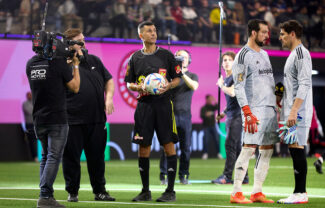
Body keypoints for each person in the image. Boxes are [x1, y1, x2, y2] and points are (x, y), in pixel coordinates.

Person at [124, 21, 182, 202]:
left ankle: (170, 191)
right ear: (141, 35)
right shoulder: (134, 58)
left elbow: (178, 79)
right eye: (149, 31)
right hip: (144, 107)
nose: (153, 33)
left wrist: (168, 85)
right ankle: (145, 191)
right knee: (144, 148)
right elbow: (128, 83)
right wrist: (138, 86)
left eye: (155, 30)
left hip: (164, 105)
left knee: (168, 145)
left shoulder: (166, 55)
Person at [62, 28, 115, 203]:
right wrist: (72, 61)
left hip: (97, 119)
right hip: (73, 119)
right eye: (79, 41)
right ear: (69, 44)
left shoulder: (95, 60)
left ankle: (100, 192)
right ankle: (72, 192)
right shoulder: (63, 63)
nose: (84, 44)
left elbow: (109, 79)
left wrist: (109, 99)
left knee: (97, 159)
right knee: (71, 159)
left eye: (84, 40)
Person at [230, 19, 278, 204]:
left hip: (269, 109)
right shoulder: (242, 56)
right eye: (264, 32)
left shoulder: (265, 54)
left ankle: (257, 192)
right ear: (253, 33)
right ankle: (236, 192)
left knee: (267, 151)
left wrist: (278, 98)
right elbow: (239, 87)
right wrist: (247, 112)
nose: (267, 35)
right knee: (249, 149)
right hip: (253, 111)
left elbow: (270, 82)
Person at [26, 45, 80, 208]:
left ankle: (44, 194)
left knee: (45, 156)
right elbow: (75, 87)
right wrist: (75, 65)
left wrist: (65, 64)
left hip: (38, 119)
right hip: (56, 118)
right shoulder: (58, 63)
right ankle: (45, 196)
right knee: (53, 156)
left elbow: (51, 78)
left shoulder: (30, 63)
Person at [277, 20, 313, 204]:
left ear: (292, 34)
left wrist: (293, 112)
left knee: (297, 147)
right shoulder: (292, 55)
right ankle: (298, 192)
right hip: (292, 111)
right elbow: (291, 85)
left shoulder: (301, 53)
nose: (280, 37)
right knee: (293, 148)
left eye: (282, 34)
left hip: (298, 112)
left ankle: (301, 193)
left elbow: (305, 84)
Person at [159, 49, 199, 185]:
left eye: (185, 57)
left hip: (185, 116)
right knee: (167, 146)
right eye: (179, 57)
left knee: (185, 148)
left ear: (189, 60)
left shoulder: (193, 75)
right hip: (170, 115)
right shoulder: (171, 77)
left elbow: (194, 86)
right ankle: (164, 175)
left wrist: (181, 73)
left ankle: (184, 175)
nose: (182, 59)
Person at [211, 51, 249, 185]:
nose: (226, 62)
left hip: (238, 117)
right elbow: (232, 102)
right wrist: (223, 113)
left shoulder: (236, 76)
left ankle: (227, 176)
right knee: (237, 148)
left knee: (230, 146)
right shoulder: (227, 79)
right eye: (224, 60)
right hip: (231, 116)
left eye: (229, 60)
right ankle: (244, 177)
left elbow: (233, 93)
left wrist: (221, 85)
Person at [200, 94, 220, 160]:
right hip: (206, 126)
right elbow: (201, 116)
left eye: (211, 99)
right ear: (206, 100)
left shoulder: (212, 107)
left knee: (216, 140)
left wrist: (215, 100)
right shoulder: (203, 108)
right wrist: (206, 115)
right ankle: (205, 153)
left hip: (213, 126)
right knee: (206, 140)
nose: (210, 101)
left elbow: (217, 107)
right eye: (209, 99)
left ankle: (218, 153)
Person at [22, 91, 38, 162]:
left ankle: (37, 156)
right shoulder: (24, 104)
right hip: (29, 124)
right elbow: (31, 111)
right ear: (26, 96)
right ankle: (34, 156)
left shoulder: (35, 102)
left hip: (36, 123)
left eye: (31, 95)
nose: (30, 96)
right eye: (28, 95)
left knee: (37, 140)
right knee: (32, 141)